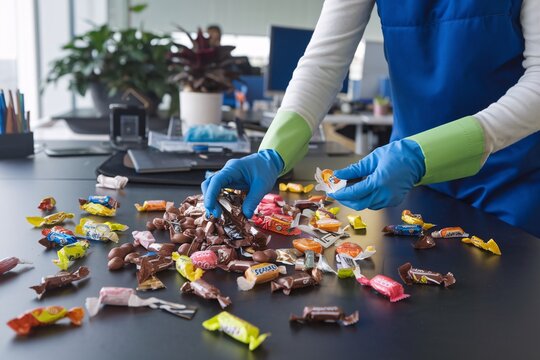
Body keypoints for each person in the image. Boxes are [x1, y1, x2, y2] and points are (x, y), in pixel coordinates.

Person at [203, 0, 540, 237]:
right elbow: (324, 60)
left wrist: (424, 154)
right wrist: (273, 153)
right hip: (412, 188)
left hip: (508, 182)